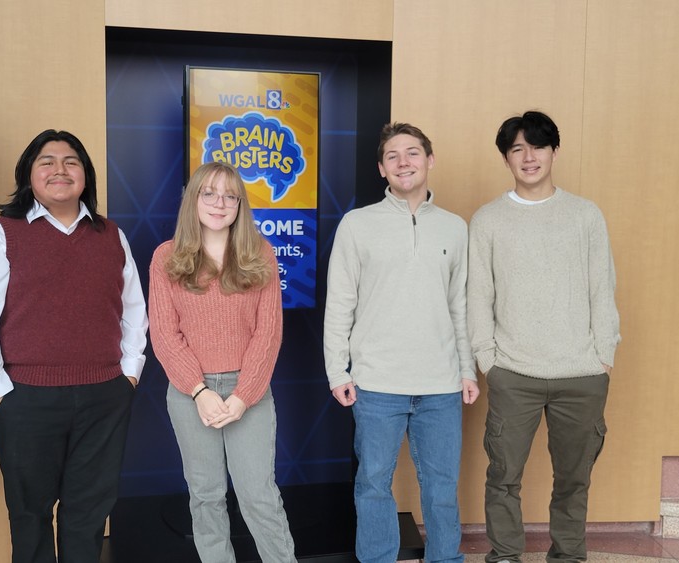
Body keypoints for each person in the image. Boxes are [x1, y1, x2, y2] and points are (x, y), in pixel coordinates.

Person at [0, 129, 148, 563]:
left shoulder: (111, 236)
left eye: (71, 161)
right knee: (29, 517)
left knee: (88, 516)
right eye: (47, 161)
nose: (59, 170)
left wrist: (130, 373)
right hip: (25, 400)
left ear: (86, 175)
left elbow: (133, 309)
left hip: (105, 397)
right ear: (29, 174)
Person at [467, 110, 620, 563]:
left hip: (582, 373)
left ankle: (569, 556)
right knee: (504, 475)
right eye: (517, 148)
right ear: (506, 158)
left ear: (554, 151)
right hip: (514, 371)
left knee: (574, 478)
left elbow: (602, 286)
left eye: (537, 146)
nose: (528, 156)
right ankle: (506, 555)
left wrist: (603, 355)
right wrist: (487, 358)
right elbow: (479, 294)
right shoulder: (488, 219)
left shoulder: (584, 215)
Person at [324, 123, 479, 563]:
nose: (404, 162)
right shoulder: (357, 225)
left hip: (441, 383)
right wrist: (338, 370)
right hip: (376, 383)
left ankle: (445, 558)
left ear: (430, 161)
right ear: (381, 168)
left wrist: (466, 370)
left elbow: (459, 307)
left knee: (442, 485)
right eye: (393, 156)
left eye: (413, 153)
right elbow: (340, 305)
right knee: (373, 483)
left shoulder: (454, 228)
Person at [149, 161, 296, 562]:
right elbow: (164, 335)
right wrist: (199, 392)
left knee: (259, 496)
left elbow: (268, 334)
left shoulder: (259, 253)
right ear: (193, 199)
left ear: (240, 205)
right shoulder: (166, 258)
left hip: (249, 392)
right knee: (206, 495)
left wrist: (242, 396)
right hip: (189, 394)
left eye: (230, 196)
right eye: (210, 193)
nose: (220, 203)